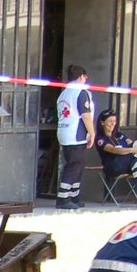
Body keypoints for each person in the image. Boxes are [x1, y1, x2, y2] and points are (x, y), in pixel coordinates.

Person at [92, 109, 137, 207]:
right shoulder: (100, 139)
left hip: (128, 165)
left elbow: (132, 143)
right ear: (102, 122)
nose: (113, 123)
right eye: (110, 121)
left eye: (114, 121)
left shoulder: (119, 135)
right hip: (113, 167)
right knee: (136, 157)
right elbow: (115, 150)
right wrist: (135, 150)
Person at [54, 64, 94, 209]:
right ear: (81, 76)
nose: (86, 79)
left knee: (77, 165)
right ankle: (63, 198)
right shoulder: (81, 92)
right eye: (85, 76)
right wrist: (92, 133)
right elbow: (86, 116)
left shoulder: (64, 93)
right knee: (74, 166)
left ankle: (74, 196)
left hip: (64, 132)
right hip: (76, 134)